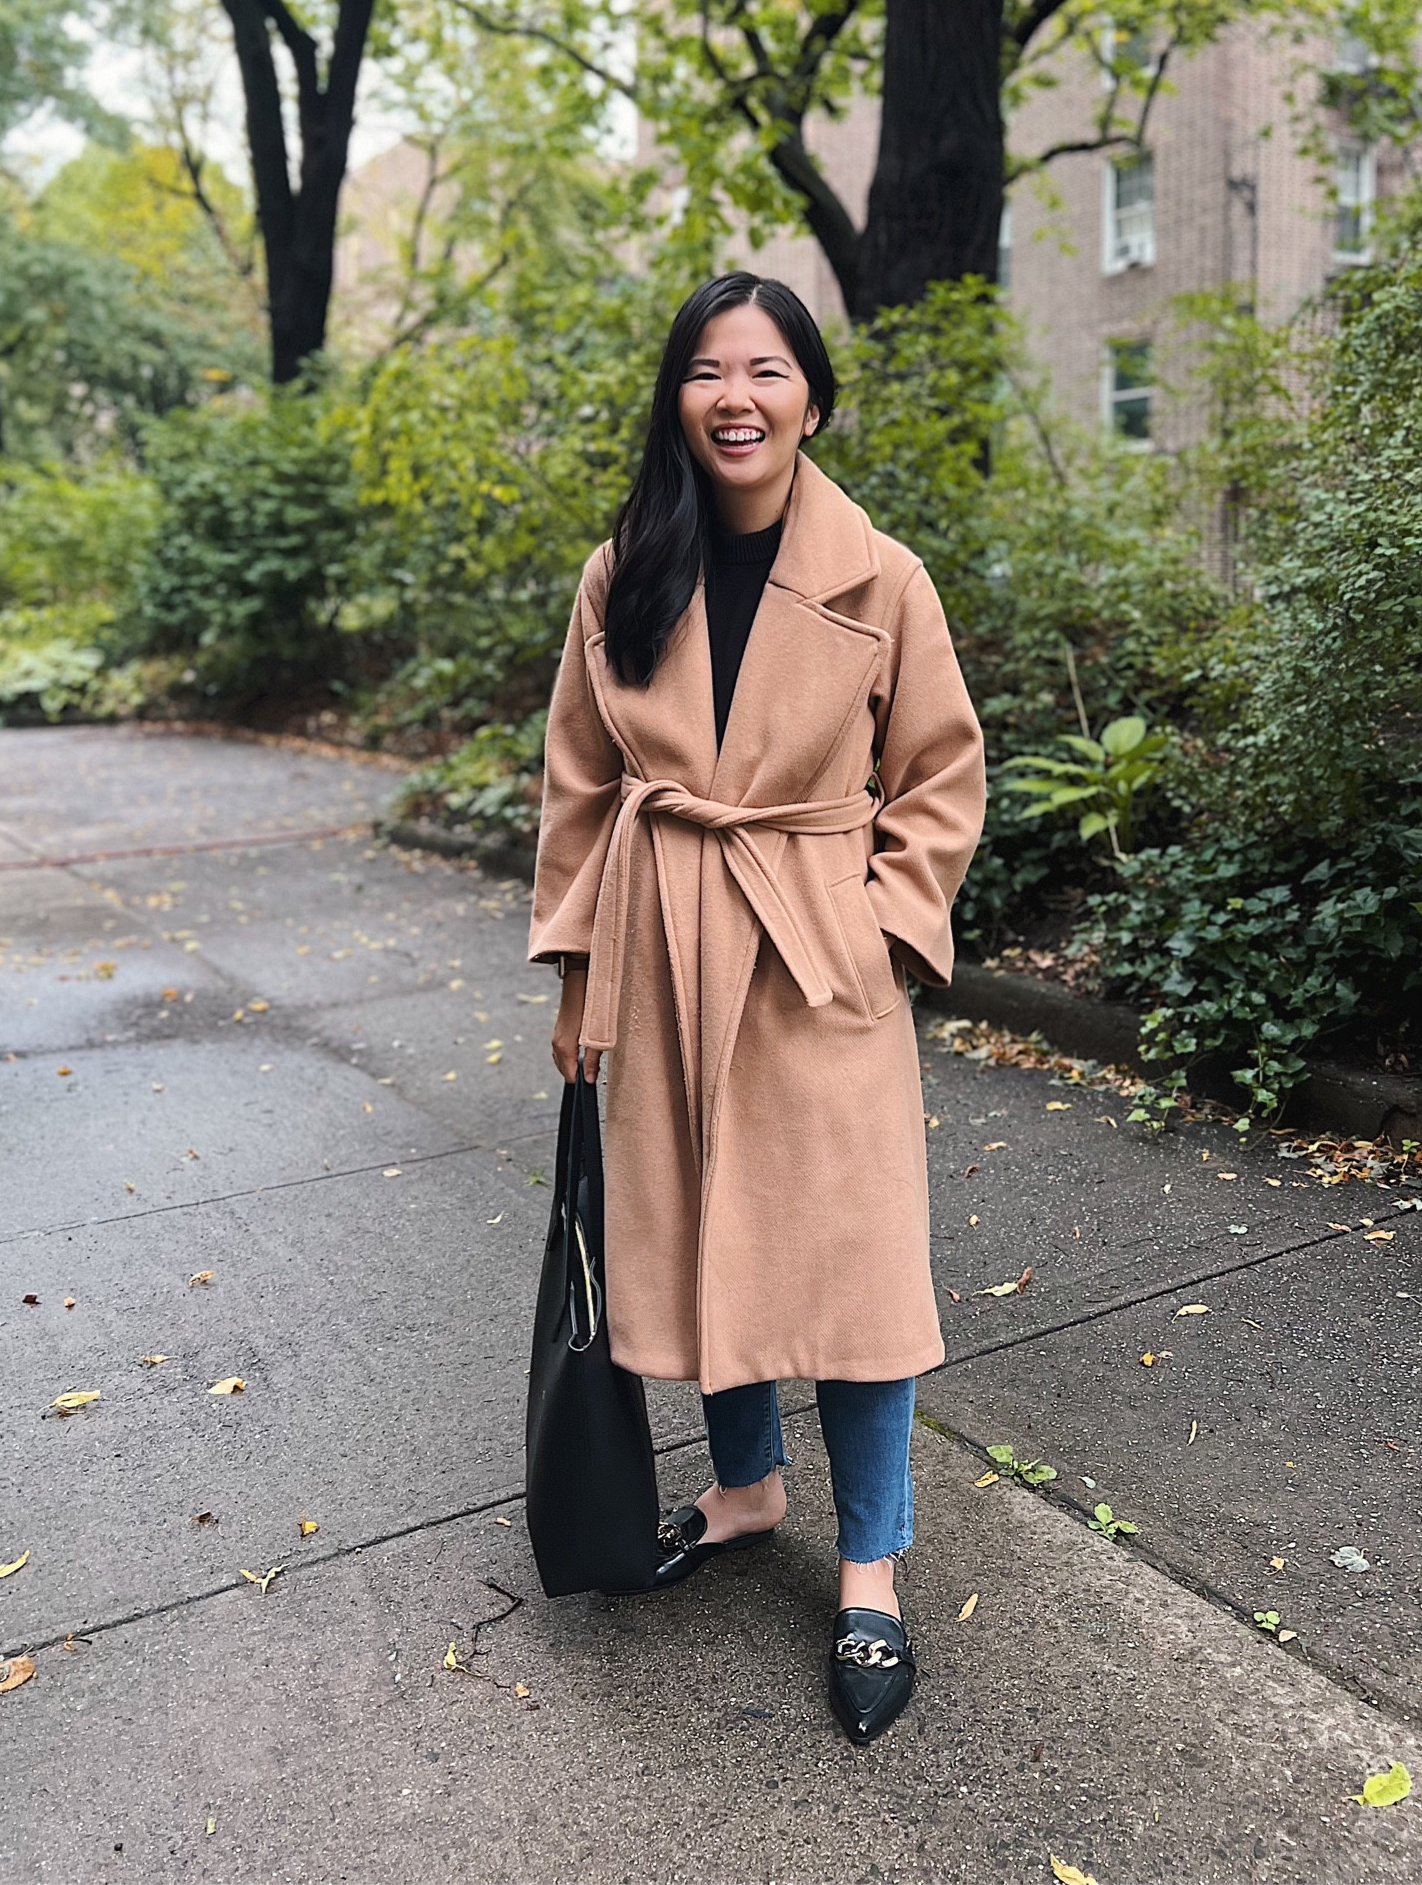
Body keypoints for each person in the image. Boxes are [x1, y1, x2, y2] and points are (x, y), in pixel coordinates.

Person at [529, 271, 986, 1744]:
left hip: (814, 953)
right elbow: (583, 782)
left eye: (769, 370)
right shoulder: (625, 569)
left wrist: (882, 931)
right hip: (664, 947)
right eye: (709, 370)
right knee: (703, 1241)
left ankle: (870, 1571)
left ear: (810, 398)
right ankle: (742, 1491)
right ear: (677, 399)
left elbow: (941, 776)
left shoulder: (884, 577)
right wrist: (583, 967)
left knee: (854, 1275)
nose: (738, 395)